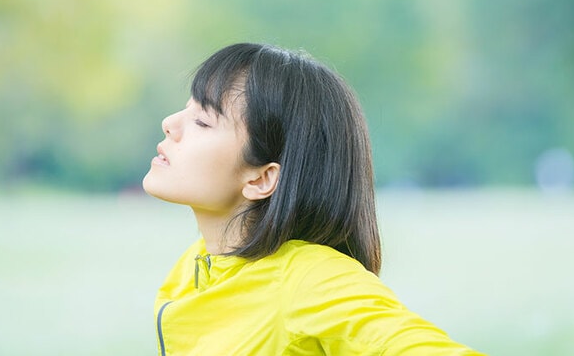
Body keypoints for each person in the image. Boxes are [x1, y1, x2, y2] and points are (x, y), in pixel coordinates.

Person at [143, 43, 485, 355]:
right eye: (187, 108)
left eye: (203, 121)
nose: (170, 123)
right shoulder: (195, 263)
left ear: (262, 178)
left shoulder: (310, 278)